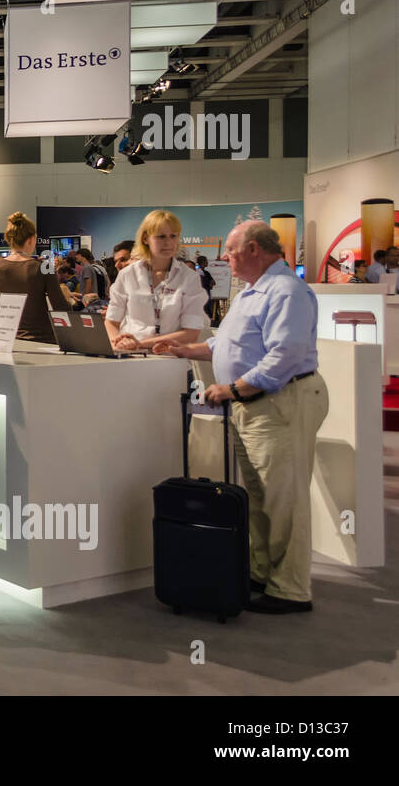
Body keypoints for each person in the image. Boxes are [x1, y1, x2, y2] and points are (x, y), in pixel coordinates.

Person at [157, 221, 328, 614]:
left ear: (254, 249)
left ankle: (290, 589)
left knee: (284, 499)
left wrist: (231, 389)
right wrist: (190, 351)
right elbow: (228, 343)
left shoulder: (287, 292)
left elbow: (282, 358)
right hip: (257, 406)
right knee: (261, 495)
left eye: (231, 252)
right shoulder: (253, 291)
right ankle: (263, 571)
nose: (225, 259)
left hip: (281, 402)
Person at [104, 209, 209, 353]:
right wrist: (119, 342)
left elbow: (191, 332)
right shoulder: (127, 275)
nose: (168, 242)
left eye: (173, 236)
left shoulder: (189, 277)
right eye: (161, 237)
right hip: (129, 357)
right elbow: (111, 322)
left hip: (170, 359)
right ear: (145, 238)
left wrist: (140, 344)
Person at [0, 212, 72, 343]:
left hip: (7, 339)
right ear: (32, 239)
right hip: (41, 339)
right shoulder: (43, 268)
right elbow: (60, 306)